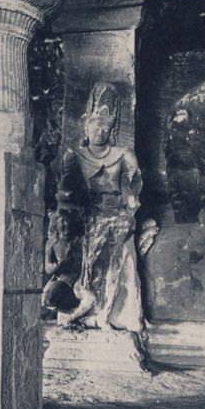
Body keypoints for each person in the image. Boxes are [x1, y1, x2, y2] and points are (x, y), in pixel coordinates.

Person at [60, 82, 145, 334]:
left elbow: (134, 185)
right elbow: (66, 191)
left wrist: (130, 204)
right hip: (89, 218)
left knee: (114, 267)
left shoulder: (123, 154)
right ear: (87, 126)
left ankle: (105, 314)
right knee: (88, 267)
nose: (100, 131)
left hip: (117, 217)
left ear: (112, 129)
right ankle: (85, 309)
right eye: (96, 125)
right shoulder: (74, 154)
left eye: (106, 127)